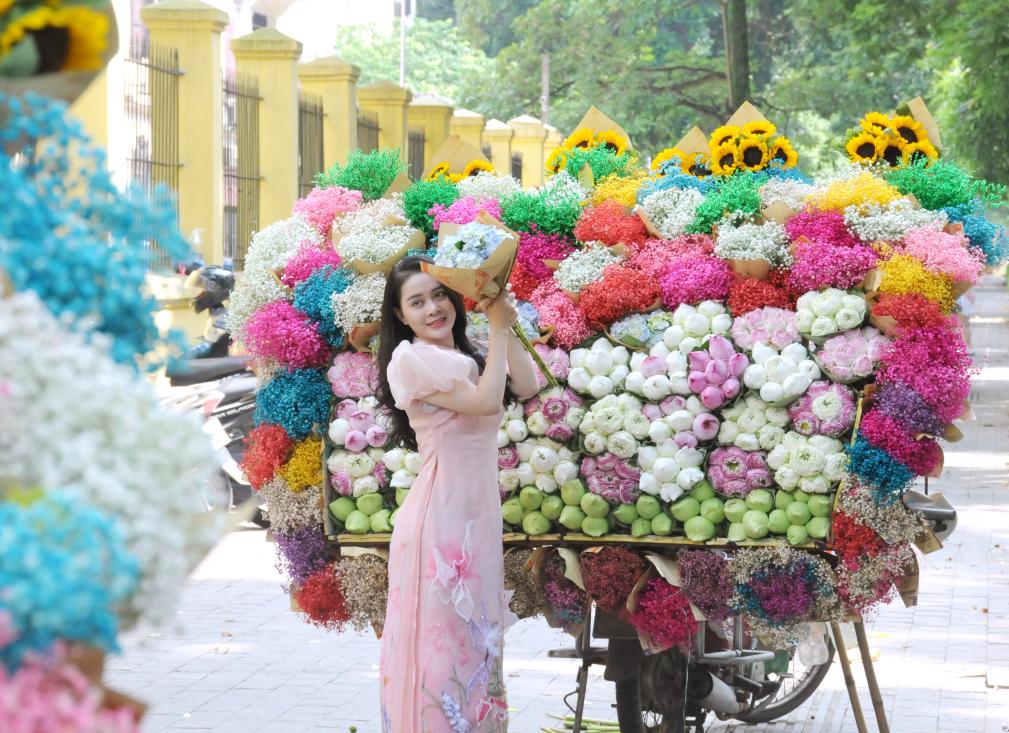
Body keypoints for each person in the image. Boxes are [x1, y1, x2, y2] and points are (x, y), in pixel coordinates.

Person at [375, 255, 540, 732]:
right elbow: (487, 401)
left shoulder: (465, 355)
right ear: (401, 316)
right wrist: (500, 327)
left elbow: (525, 385)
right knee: (442, 648)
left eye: (440, 294)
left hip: (476, 518)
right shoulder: (411, 360)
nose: (432, 308)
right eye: (417, 302)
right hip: (440, 523)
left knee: (477, 642)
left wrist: (501, 315)